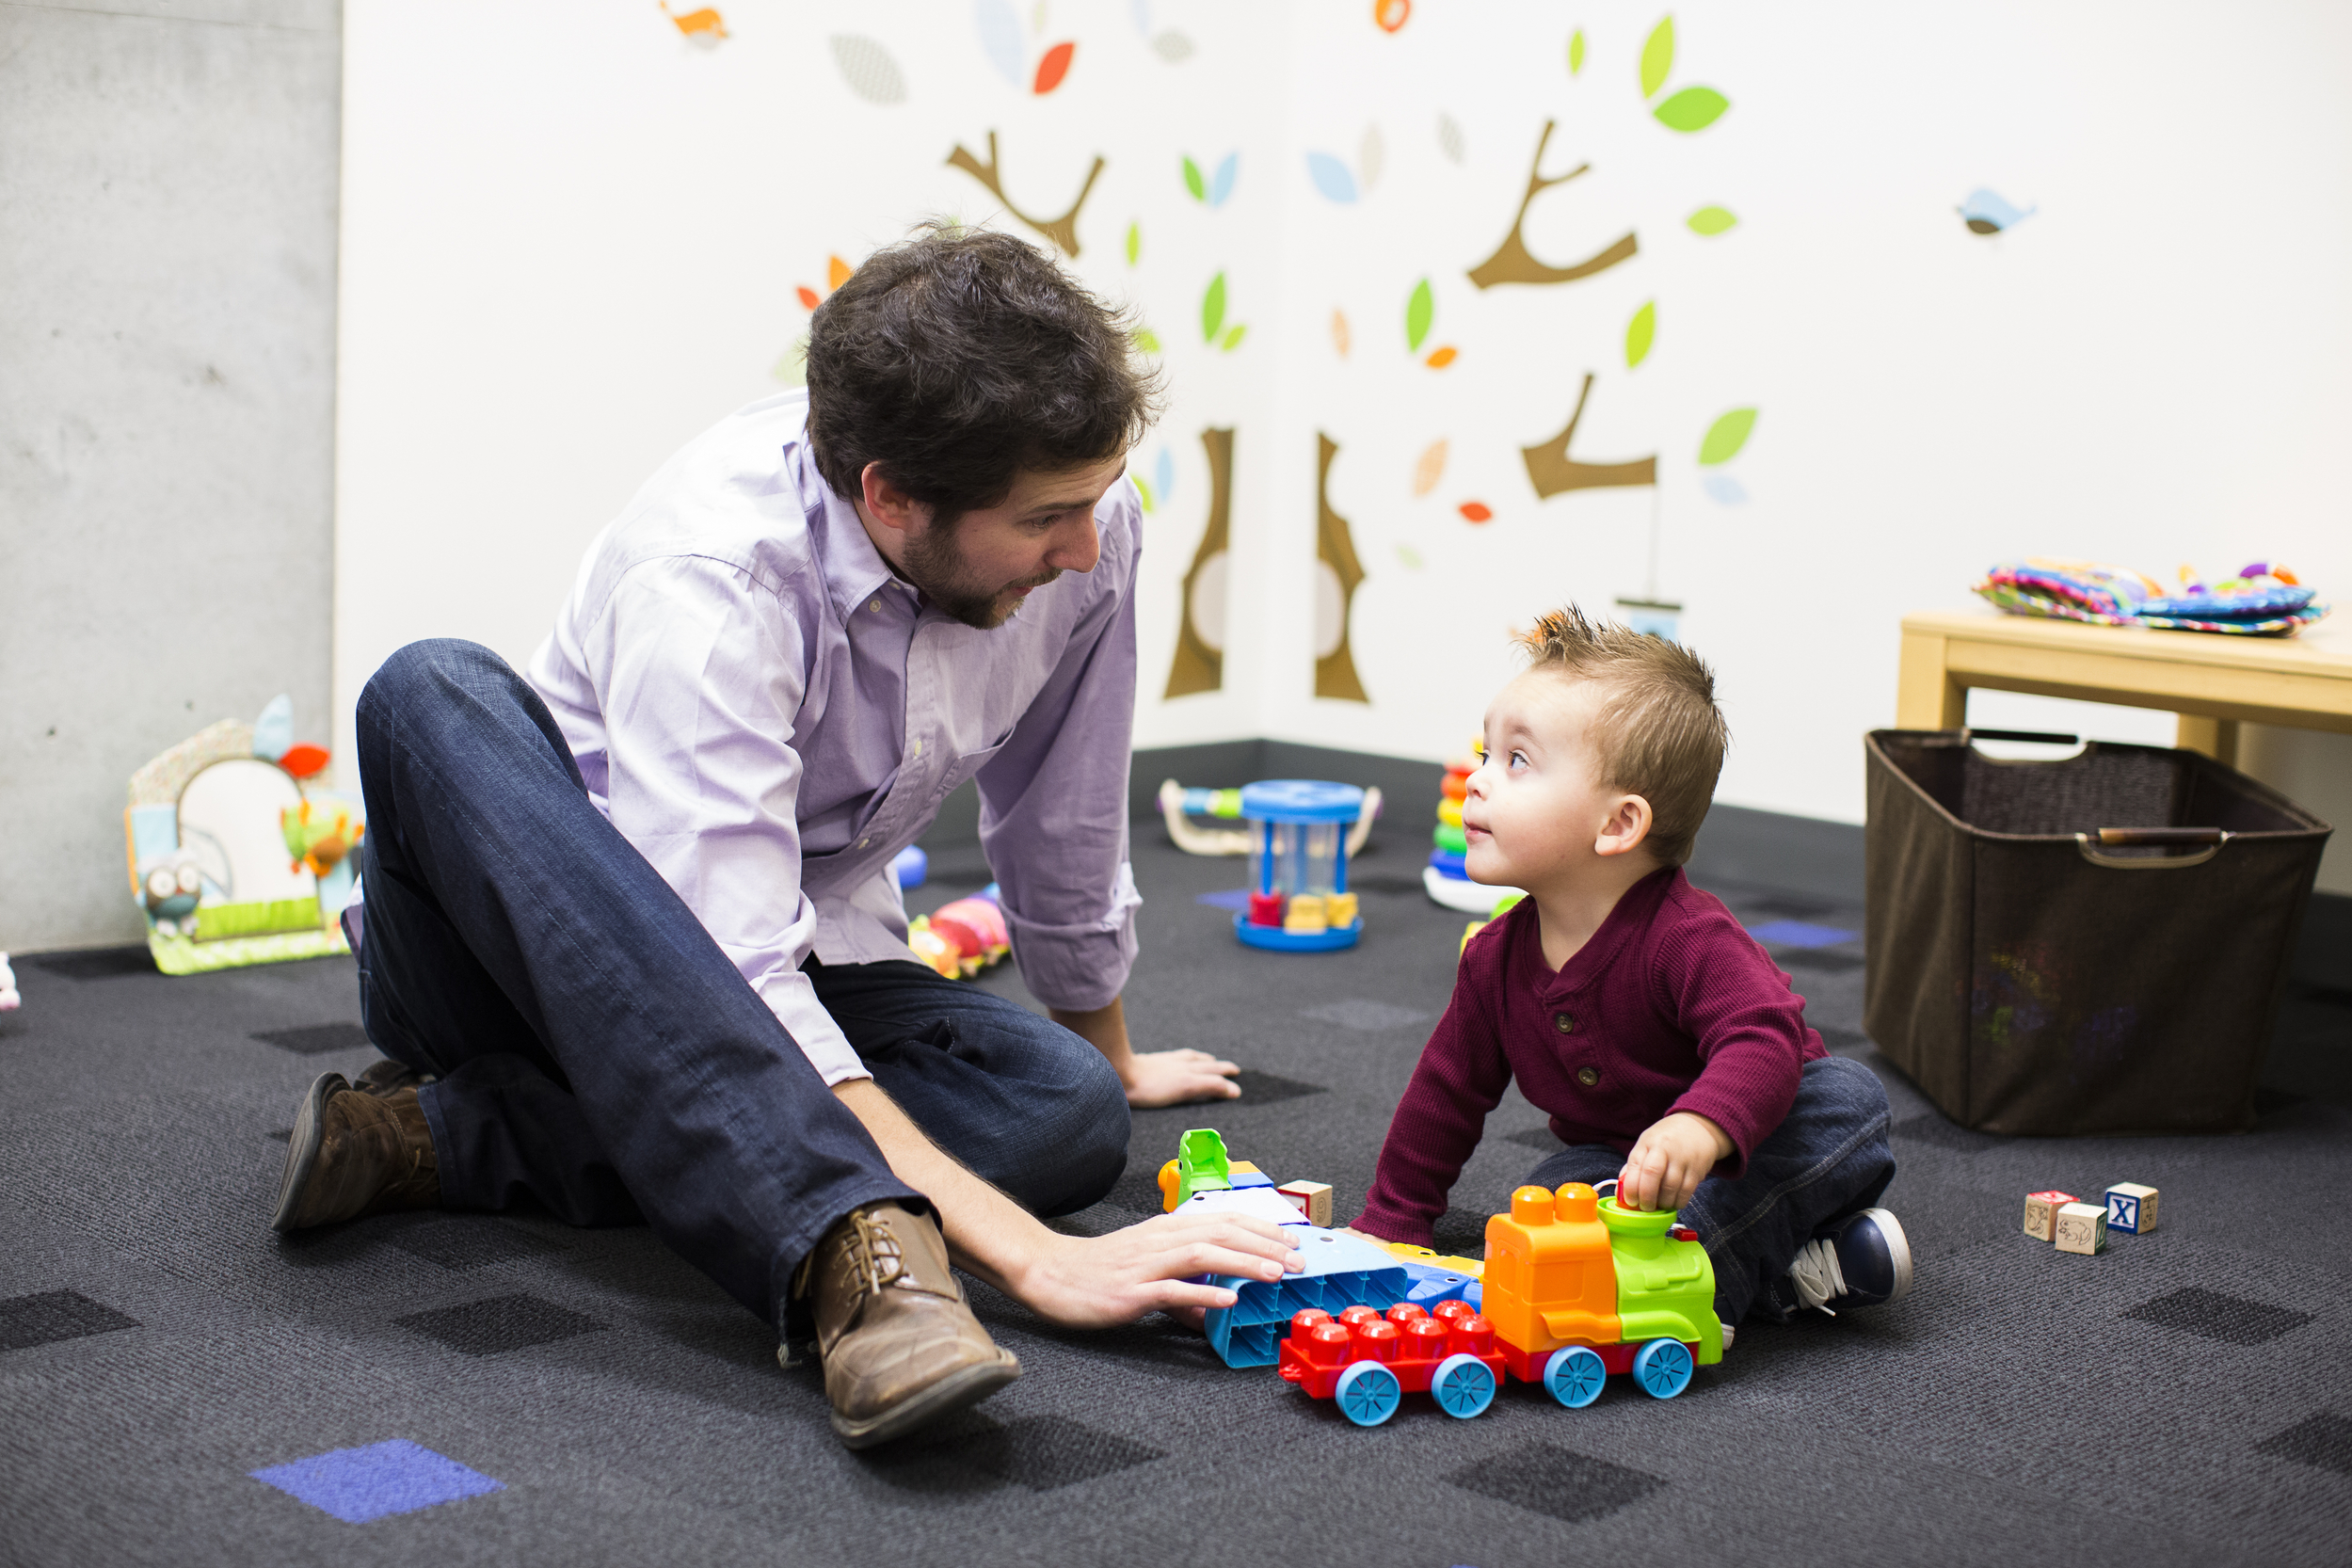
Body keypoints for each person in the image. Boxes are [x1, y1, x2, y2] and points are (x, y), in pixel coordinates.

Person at [266, 224, 1300, 1449]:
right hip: (517, 974)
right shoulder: (708, 576)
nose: (1084, 546)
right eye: (1045, 520)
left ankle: (452, 1136)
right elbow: (734, 983)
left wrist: (1108, 1048)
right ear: (890, 497)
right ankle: (858, 1251)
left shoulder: (1092, 527)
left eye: (1091, 503)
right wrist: (1034, 1258)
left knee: (1065, 1110)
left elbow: (1064, 802)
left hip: (789, 958)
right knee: (429, 689)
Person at [1350, 606, 1910, 1339]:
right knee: (1548, 1192)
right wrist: (1393, 1221)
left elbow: (1764, 1038)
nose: (1478, 783)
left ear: (1617, 824)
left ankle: (1691, 1288)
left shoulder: (1688, 937)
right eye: (1485, 754)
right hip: (1619, 1167)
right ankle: (1774, 1278)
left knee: (1848, 1097)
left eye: (1515, 762)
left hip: (1755, 1138)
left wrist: (1700, 1126)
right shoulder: (1492, 959)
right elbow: (1445, 1094)